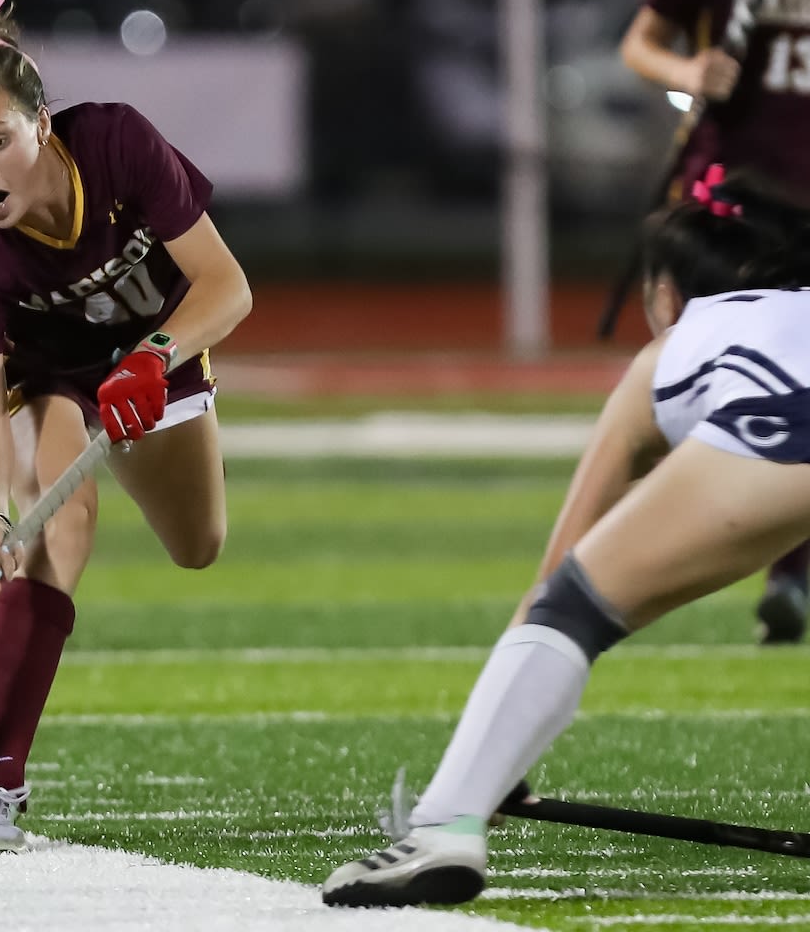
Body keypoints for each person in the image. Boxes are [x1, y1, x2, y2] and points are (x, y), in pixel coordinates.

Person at [322, 167, 810, 908]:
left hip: (783, 426)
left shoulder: (669, 353)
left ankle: (439, 831)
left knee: (572, 607)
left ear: (668, 295)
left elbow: (551, 590)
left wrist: (493, 763)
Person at [0, 0, 252, 855]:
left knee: (199, 547)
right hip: (51, 376)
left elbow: (226, 287)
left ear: (41, 122)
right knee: (53, 531)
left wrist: (154, 359)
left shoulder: (116, 142)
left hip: (156, 355)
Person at [619, 0, 810, 643]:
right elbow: (640, 44)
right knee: (682, 389)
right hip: (727, 209)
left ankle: (790, 572)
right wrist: (689, 72)